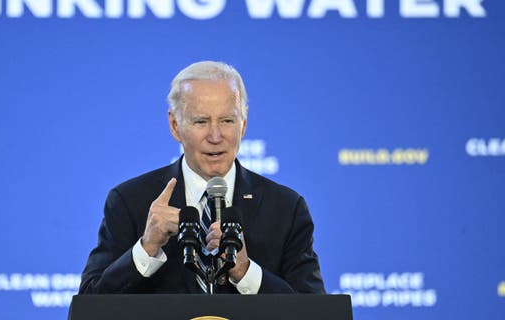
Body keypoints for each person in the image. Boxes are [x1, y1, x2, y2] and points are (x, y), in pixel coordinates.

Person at [78, 61, 325, 294]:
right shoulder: (130, 201)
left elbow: (315, 313)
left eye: (227, 120)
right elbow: (88, 307)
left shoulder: (285, 208)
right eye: (201, 121)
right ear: (175, 125)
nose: (215, 136)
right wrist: (146, 249)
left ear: (244, 124)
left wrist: (246, 272)